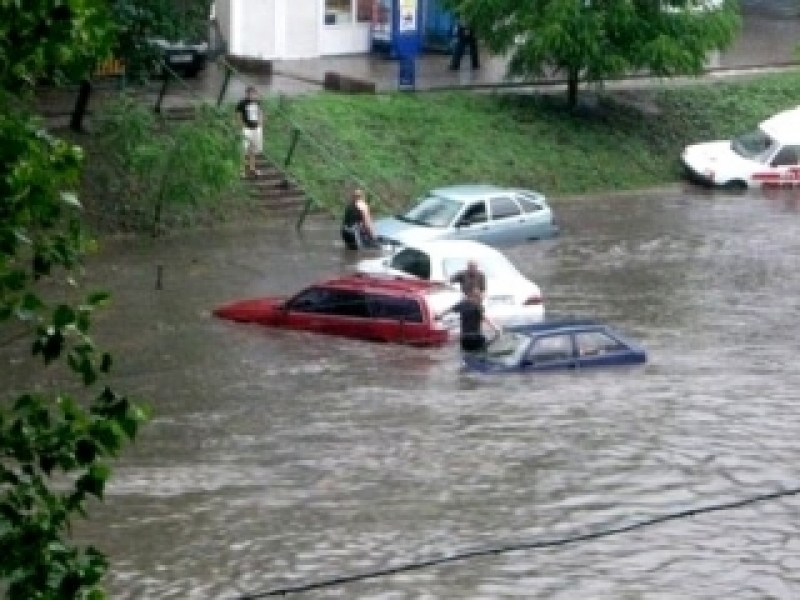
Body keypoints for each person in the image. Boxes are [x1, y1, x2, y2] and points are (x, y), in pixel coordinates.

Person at [438, 287, 501, 353]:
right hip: (476, 337)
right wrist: (496, 328)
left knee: (467, 357)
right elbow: (484, 317)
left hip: (465, 339)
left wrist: (439, 316)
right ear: (474, 296)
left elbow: (449, 310)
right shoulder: (478, 306)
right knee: (481, 356)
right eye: (478, 297)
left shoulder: (461, 304)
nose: (480, 299)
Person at [236, 86, 264, 178]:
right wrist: (241, 126)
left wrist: (260, 122)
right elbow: (238, 115)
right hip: (247, 129)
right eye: (251, 93)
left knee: (253, 150)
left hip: (256, 129)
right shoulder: (242, 103)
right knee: (243, 150)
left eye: (254, 93)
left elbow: (260, 112)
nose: (253, 95)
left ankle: (252, 168)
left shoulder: (257, 102)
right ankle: (241, 170)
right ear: (247, 94)